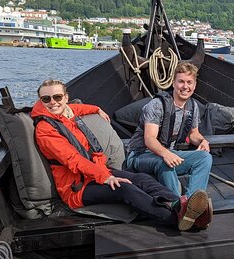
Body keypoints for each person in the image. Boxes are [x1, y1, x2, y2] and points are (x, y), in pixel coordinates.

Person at [32, 79, 212, 231]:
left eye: (57, 97)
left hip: (96, 171)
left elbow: (78, 109)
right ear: (41, 100)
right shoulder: (45, 129)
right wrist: (105, 177)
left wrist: (96, 109)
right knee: (125, 188)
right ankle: (183, 221)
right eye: (46, 99)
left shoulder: (66, 112)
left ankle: (181, 204)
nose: (53, 102)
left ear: (66, 98)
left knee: (142, 179)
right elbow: (73, 160)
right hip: (76, 186)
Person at [125, 62, 213, 196]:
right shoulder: (157, 105)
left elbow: (194, 134)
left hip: (169, 153)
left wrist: (202, 141)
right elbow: (149, 139)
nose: (185, 86)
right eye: (181, 82)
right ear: (173, 83)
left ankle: (192, 202)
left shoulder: (192, 106)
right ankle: (176, 204)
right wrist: (166, 154)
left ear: (194, 86)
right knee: (165, 162)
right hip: (140, 156)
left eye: (189, 82)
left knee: (205, 158)